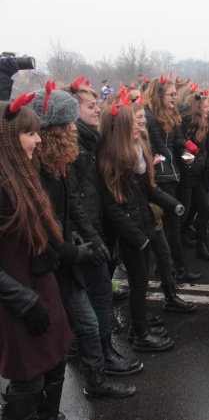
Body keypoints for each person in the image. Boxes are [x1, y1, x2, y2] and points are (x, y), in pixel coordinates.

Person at [28, 84, 136, 398]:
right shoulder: (37, 173)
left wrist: (90, 238)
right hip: (50, 264)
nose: (75, 127)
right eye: (68, 123)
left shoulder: (58, 163)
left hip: (68, 253)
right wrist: (78, 247)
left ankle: (95, 381)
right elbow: (47, 228)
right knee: (58, 337)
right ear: (52, 130)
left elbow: (72, 204)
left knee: (85, 323)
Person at [0, 96, 72, 420]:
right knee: (28, 382)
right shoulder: (2, 186)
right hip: (19, 303)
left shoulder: (24, 177)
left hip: (44, 290)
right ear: (9, 139)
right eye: (30, 133)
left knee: (56, 367)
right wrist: (26, 302)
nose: (39, 139)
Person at [65, 78, 144, 376]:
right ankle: (103, 358)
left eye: (98, 104)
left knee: (92, 296)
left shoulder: (89, 141)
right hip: (85, 236)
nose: (98, 110)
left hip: (91, 232)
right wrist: (91, 237)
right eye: (90, 106)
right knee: (98, 296)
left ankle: (87, 350)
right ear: (73, 113)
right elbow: (75, 199)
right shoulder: (75, 147)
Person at [97, 101, 182, 351]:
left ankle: (137, 328)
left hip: (141, 226)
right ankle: (141, 335)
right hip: (132, 233)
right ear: (120, 127)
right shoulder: (112, 160)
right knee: (139, 281)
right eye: (132, 121)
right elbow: (113, 208)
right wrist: (137, 237)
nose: (138, 125)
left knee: (141, 281)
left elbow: (147, 190)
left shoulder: (133, 153)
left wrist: (172, 204)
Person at [132, 103, 197, 314]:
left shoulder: (140, 141)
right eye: (138, 117)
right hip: (134, 214)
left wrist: (173, 204)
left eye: (143, 116)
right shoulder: (120, 148)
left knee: (162, 250)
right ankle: (139, 322)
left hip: (151, 205)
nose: (143, 120)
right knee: (139, 271)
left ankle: (170, 295)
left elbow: (149, 185)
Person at [142, 75, 202, 283]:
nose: (176, 98)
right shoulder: (147, 117)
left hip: (172, 174)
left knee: (171, 224)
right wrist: (152, 161)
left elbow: (177, 141)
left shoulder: (171, 114)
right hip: (158, 177)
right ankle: (177, 269)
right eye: (172, 94)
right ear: (159, 95)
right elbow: (143, 147)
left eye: (176, 94)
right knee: (170, 224)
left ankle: (167, 269)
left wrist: (188, 156)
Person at [178, 88, 209, 261]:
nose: (208, 109)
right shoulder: (185, 122)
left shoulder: (206, 120)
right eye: (205, 106)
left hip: (200, 171)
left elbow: (206, 138)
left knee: (202, 208)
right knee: (185, 211)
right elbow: (179, 146)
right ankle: (177, 241)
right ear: (197, 107)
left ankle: (201, 244)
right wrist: (190, 162)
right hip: (188, 174)